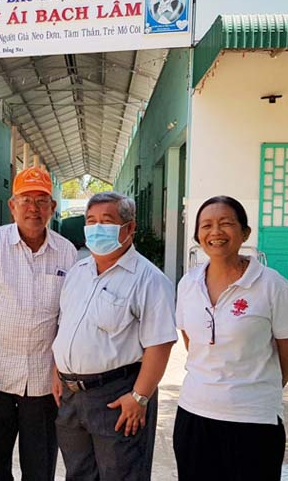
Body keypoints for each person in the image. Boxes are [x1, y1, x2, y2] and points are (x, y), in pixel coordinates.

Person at [173, 196, 288, 481]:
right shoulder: (187, 284)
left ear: (245, 232)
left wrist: (259, 387)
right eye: (206, 225)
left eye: (226, 223)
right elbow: (192, 342)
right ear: (197, 235)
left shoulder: (272, 285)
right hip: (194, 415)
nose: (215, 232)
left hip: (254, 420)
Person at [0, 166, 77, 480]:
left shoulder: (66, 253)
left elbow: (67, 320)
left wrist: (59, 372)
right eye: (26, 200)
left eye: (41, 201)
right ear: (12, 205)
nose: (33, 208)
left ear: (53, 207)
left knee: (40, 469)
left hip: (44, 382)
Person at [52, 191, 177, 481]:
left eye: (106, 221)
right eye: (91, 221)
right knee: (78, 474)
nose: (97, 228)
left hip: (116, 396)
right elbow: (65, 326)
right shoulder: (78, 272)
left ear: (129, 228)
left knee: (121, 474)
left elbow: (160, 345)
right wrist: (56, 371)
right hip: (72, 398)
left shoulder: (149, 279)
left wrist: (139, 397)